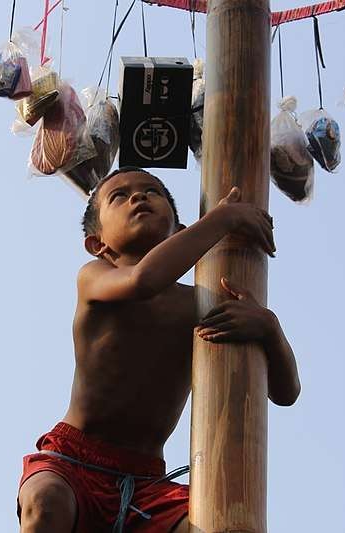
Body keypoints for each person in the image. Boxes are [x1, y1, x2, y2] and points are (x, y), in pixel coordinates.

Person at [17, 167, 301, 533]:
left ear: (180, 233)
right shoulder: (94, 278)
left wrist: (269, 328)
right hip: (72, 464)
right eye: (119, 197)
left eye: (153, 192)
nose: (138, 197)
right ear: (98, 244)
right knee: (46, 502)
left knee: (218, 524)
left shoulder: (201, 306)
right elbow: (143, 280)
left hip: (146, 484)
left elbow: (286, 392)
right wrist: (223, 218)